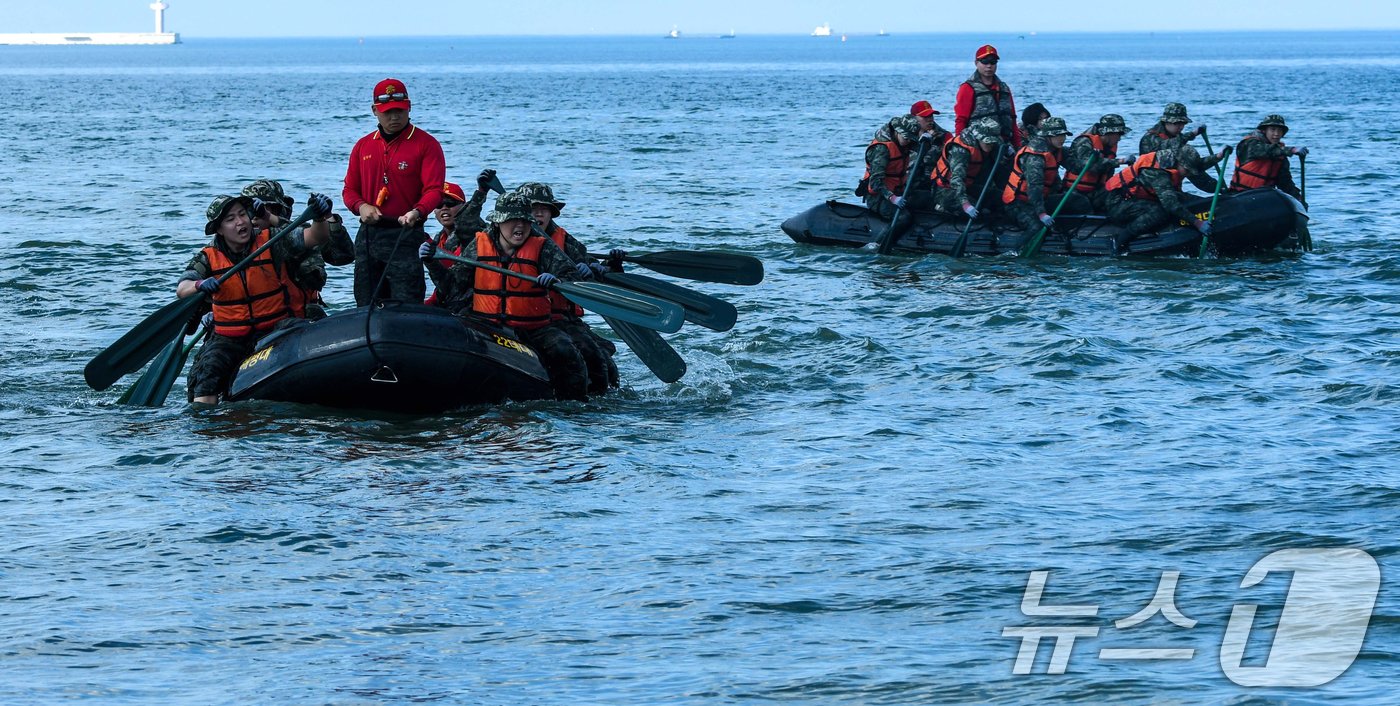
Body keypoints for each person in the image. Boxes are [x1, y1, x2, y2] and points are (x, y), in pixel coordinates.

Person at [421, 192, 592, 401]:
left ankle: (575, 406)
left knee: (565, 351)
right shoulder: (479, 244)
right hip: (487, 324)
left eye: (524, 221)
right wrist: (431, 262)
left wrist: (555, 278)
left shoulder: (543, 246)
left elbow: (570, 275)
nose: (519, 226)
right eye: (512, 220)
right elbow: (452, 286)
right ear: (498, 222)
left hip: (533, 328)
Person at [179, 193, 332, 404]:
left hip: (274, 328)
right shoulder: (207, 258)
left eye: (242, 214)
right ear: (219, 229)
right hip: (230, 339)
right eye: (230, 219)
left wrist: (319, 217)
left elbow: (316, 237)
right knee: (206, 378)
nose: (240, 222)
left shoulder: (272, 241)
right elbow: (182, 288)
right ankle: (210, 430)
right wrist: (200, 284)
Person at [342, 78, 446, 307]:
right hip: (370, 234)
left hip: (406, 233)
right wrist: (361, 206)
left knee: (406, 302)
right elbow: (349, 189)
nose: (394, 117)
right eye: (387, 112)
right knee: (366, 301)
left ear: (409, 107)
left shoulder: (426, 144)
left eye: (399, 111)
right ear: (374, 111)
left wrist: (417, 211)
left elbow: (434, 190)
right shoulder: (363, 146)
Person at [513, 181, 619, 394]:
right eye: (533, 209)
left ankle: (601, 400)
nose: (539, 214)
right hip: (521, 316)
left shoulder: (567, 243)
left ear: (552, 213)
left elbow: (587, 275)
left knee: (598, 356)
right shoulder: (508, 236)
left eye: (544, 209)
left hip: (560, 317)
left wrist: (603, 268)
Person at [241, 179, 353, 320]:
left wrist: (328, 218)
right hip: (255, 321)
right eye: (248, 211)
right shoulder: (234, 244)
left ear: (277, 211)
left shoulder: (300, 237)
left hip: (298, 320)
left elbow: (343, 256)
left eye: (262, 210)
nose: (254, 217)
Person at [1104, 145, 1221, 248]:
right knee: (1160, 212)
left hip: (1142, 196)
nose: (1188, 173)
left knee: (1190, 200)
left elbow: (1197, 164)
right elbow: (1170, 204)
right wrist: (1197, 223)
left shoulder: (1174, 159)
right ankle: (1121, 241)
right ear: (1179, 163)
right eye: (1187, 170)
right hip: (1118, 202)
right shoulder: (1157, 172)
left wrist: (1218, 156)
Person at [1000, 117, 1087, 246]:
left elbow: (1076, 167)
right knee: (1037, 227)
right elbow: (1034, 188)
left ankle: (1061, 230)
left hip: (1041, 199)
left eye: (1063, 135)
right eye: (1058, 135)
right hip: (1018, 202)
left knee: (1079, 201)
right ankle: (1016, 253)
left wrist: (1093, 159)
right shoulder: (1035, 156)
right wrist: (1042, 214)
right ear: (1048, 136)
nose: (1062, 139)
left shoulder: (1058, 150)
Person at [858, 115, 924, 239]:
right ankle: (878, 244)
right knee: (903, 217)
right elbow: (875, 182)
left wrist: (926, 141)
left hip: (900, 191)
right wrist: (892, 198)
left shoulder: (903, 142)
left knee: (926, 198)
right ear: (897, 132)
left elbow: (919, 148)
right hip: (879, 196)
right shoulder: (882, 150)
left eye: (912, 139)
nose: (909, 142)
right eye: (907, 138)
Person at [931, 117, 1003, 220]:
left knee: (1000, 199)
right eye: (988, 142)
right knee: (975, 210)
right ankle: (942, 207)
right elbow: (956, 179)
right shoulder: (960, 150)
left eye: (993, 142)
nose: (991, 145)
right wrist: (965, 204)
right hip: (946, 188)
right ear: (978, 138)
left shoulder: (990, 146)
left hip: (969, 186)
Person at [1061, 114, 1133, 213]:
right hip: (1075, 192)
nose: (1119, 138)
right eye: (1119, 134)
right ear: (1109, 132)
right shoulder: (1084, 142)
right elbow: (1089, 166)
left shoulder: (1110, 147)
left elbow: (1108, 174)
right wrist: (1120, 161)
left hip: (1096, 191)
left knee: (1124, 190)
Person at [954, 44, 1021, 148]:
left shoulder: (1004, 88)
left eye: (993, 62)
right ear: (976, 63)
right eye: (984, 61)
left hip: (1005, 145)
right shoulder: (967, 88)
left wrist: (1017, 146)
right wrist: (960, 145)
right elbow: (961, 120)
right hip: (978, 145)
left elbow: (1012, 119)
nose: (989, 66)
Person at [1229, 114, 1306, 203]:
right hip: (1240, 195)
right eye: (1273, 130)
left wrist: (1298, 199)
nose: (1276, 134)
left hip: (1264, 199)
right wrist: (1291, 150)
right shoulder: (1249, 144)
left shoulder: (1280, 155)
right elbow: (1264, 150)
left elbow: (1285, 182)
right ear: (1264, 131)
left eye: (1280, 131)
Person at [1139, 102, 1208, 155]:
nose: (1181, 127)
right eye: (1177, 123)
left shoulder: (1177, 136)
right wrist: (1193, 134)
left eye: (1183, 123)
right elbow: (1168, 145)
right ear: (1166, 122)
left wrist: (1217, 156)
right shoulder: (1150, 137)